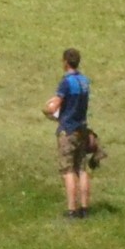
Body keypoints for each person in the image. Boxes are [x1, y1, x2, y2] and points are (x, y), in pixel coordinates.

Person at [45, 47, 96, 218]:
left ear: (66, 62)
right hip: (82, 128)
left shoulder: (66, 82)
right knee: (81, 168)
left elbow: (54, 107)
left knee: (68, 171)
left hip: (68, 130)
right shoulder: (84, 81)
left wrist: (47, 110)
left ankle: (72, 210)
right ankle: (85, 208)